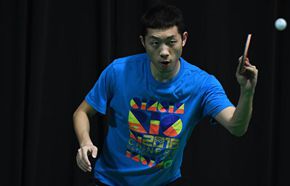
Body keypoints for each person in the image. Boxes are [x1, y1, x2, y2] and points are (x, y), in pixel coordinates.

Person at [73, 3, 258, 186]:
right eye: (155, 43)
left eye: (171, 42)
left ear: (184, 39)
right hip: (110, 181)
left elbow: (236, 126)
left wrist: (247, 90)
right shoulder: (118, 71)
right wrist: (85, 142)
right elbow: (81, 113)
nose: (164, 52)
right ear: (143, 42)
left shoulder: (202, 84)